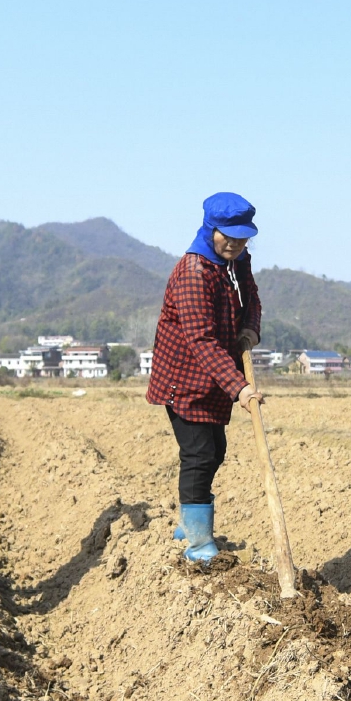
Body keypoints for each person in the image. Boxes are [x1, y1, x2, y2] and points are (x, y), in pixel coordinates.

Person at [145, 191, 264, 562]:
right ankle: (198, 543)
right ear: (210, 229)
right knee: (198, 454)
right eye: (228, 236)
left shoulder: (236, 260)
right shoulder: (194, 272)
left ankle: (190, 519)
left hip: (214, 378)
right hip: (184, 380)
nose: (235, 243)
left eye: (243, 237)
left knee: (216, 452)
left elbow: (252, 299)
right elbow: (202, 340)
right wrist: (240, 389)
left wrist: (249, 329)